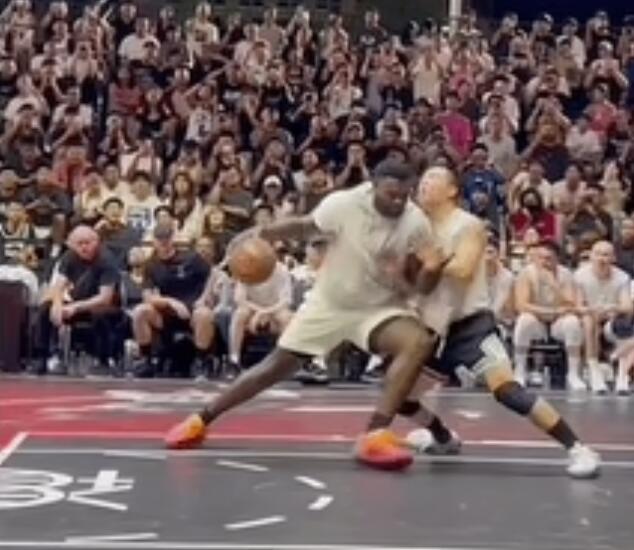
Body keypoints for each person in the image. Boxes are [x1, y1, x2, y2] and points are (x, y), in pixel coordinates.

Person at [165, 159, 444, 470]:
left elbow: (424, 287)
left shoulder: (415, 222)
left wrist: (432, 270)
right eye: (392, 194)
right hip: (330, 303)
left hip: (378, 307)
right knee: (272, 369)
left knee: (418, 341)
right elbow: (304, 226)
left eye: (405, 195)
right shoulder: (344, 204)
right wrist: (262, 231)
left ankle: (375, 435)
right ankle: (201, 419)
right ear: (373, 186)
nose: (399, 202)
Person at [406, 166, 600, 479]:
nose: (424, 183)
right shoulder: (417, 228)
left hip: (470, 326)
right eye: (423, 178)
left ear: (453, 190)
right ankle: (442, 438)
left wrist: (424, 261)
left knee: (507, 390)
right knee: (400, 395)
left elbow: (463, 269)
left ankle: (578, 448)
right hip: (432, 328)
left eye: (433, 178)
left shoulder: (468, 225)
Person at [32, 225, 120, 374]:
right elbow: (58, 286)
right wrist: (57, 304)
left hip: (104, 305)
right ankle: (41, 357)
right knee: (45, 308)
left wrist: (76, 307)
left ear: (96, 241)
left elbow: (105, 298)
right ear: (72, 245)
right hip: (77, 302)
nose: (84, 247)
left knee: (100, 314)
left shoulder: (106, 260)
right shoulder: (69, 257)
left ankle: (103, 360)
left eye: (87, 243)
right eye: (79, 244)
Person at [574, 241, 633, 394]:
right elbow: (577, 306)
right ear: (591, 256)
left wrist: (612, 308)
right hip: (588, 316)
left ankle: (622, 375)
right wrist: (591, 310)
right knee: (589, 321)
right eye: (598, 254)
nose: (602, 258)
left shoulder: (622, 277)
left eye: (606, 255)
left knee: (625, 326)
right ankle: (594, 370)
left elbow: (627, 306)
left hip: (613, 319)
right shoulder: (580, 275)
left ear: (613, 258)